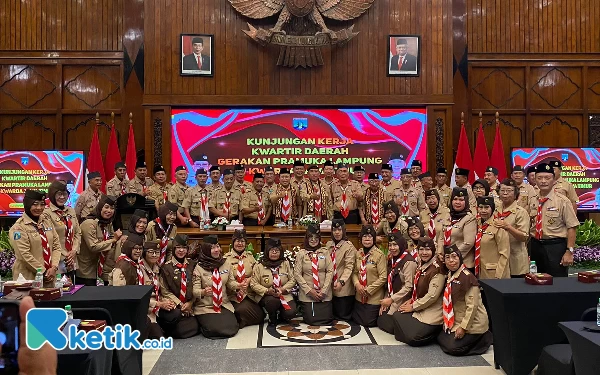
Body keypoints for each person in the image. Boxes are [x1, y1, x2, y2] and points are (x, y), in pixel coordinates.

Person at [437, 245, 492, 356]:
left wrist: (463, 328)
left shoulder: (468, 278)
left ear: (460, 258)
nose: (451, 260)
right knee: (440, 338)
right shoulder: (451, 275)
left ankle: (484, 338)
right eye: (447, 257)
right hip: (457, 320)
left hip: (473, 323)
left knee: (452, 348)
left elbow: (473, 307)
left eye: (454, 257)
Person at [530, 163, 579, 277]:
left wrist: (569, 251)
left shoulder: (563, 201)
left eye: (547, 178)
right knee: (536, 280)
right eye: (540, 178)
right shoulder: (533, 200)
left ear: (554, 180)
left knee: (558, 283)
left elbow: (572, 227)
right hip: (535, 246)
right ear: (535, 180)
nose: (543, 181)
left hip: (555, 247)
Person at [394, 237, 445, 346]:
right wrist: (412, 300)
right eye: (421, 249)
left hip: (433, 309)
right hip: (421, 305)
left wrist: (413, 306)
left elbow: (432, 296)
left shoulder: (437, 269)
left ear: (433, 250)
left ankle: (435, 333)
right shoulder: (422, 265)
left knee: (412, 338)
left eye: (427, 249)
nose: (424, 253)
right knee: (397, 316)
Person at [9, 190, 62, 286]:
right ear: (27, 205)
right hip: (28, 280)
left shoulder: (47, 222)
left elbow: (56, 246)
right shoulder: (18, 228)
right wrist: (44, 272)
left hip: (51, 277)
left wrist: (54, 268)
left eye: (42, 204)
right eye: (35, 204)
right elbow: (24, 255)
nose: (39, 208)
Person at [193, 235, 240, 338]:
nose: (216, 250)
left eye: (218, 246)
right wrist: (203, 292)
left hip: (223, 303)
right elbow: (194, 290)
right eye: (212, 248)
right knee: (214, 329)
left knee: (232, 328)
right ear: (206, 249)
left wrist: (239, 285)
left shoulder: (225, 263)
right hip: (206, 306)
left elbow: (230, 282)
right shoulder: (199, 267)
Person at [158, 234, 200, 339]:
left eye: (184, 248)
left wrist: (190, 303)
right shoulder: (166, 268)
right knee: (180, 330)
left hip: (191, 305)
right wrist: (181, 305)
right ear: (173, 249)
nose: (181, 250)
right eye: (178, 248)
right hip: (175, 306)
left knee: (198, 325)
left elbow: (197, 285)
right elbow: (165, 291)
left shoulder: (192, 265)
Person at [250, 237, 297, 326]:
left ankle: (282, 315)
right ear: (267, 252)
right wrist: (267, 291)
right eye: (272, 251)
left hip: (284, 294)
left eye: (277, 251)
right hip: (266, 296)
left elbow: (293, 279)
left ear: (281, 252)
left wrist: (283, 289)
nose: (274, 253)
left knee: (291, 313)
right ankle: (272, 316)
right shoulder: (259, 265)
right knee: (273, 302)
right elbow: (253, 283)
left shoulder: (286, 263)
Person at [41, 181, 82, 283]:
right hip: (57, 261)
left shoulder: (70, 211)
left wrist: (74, 251)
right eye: (59, 194)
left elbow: (77, 233)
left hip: (71, 259)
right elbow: (51, 238)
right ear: (52, 195)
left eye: (65, 194)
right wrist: (66, 255)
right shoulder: (46, 213)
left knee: (72, 290)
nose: (62, 197)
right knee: (58, 291)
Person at [377, 232, 417, 334]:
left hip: (403, 299)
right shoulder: (392, 259)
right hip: (392, 296)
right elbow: (390, 281)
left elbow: (409, 287)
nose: (392, 248)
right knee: (380, 320)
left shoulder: (409, 262)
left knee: (388, 325)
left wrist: (391, 299)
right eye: (390, 245)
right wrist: (387, 298)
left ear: (401, 245)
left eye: (395, 245)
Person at [293, 225, 334, 325]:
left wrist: (324, 291)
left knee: (327, 319)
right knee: (311, 320)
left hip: (324, 293)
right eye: (310, 237)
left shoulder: (325, 252)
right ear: (306, 239)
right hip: (308, 294)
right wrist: (310, 291)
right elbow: (297, 274)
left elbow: (330, 271)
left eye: (316, 238)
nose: (313, 240)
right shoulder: (301, 254)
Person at [224, 230, 265, 328]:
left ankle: (241, 319)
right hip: (234, 294)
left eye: (242, 241)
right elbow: (225, 279)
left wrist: (250, 279)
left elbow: (257, 272)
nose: (240, 243)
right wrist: (237, 285)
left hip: (249, 293)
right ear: (233, 242)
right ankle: (237, 319)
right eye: (237, 241)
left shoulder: (250, 257)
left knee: (260, 317)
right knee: (244, 310)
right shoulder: (226, 259)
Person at [77, 195, 121, 286]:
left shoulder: (107, 223)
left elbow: (112, 239)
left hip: (102, 271)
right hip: (86, 272)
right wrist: (114, 240)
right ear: (100, 207)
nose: (109, 211)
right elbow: (93, 246)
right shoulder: (89, 223)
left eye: (112, 208)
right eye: (106, 207)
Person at [494, 178, 531, 278]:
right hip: (498, 259)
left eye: (509, 191)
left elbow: (524, 237)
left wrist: (508, 227)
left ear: (515, 194)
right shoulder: (494, 210)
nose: (505, 193)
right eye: (502, 190)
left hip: (515, 259)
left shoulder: (521, 212)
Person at [352, 225, 387, 327]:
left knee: (368, 323)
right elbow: (354, 272)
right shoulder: (358, 253)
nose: (367, 239)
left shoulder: (379, 255)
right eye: (365, 236)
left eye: (370, 236)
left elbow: (383, 277)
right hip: (359, 296)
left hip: (373, 296)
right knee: (356, 320)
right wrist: (357, 284)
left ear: (374, 239)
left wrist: (369, 290)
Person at [437, 188, 477, 273]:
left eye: (461, 200)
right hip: (447, 263)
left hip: (463, 264)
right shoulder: (448, 216)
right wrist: (440, 252)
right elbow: (441, 237)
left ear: (466, 202)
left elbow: (468, 243)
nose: (457, 202)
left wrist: (452, 257)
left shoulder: (469, 218)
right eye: (455, 199)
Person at [325, 219, 357, 321]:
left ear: (343, 230)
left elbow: (349, 267)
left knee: (343, 318)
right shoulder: (329, 245)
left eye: (339, 230)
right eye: (334, 230)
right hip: (330, 286)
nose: (337, 232)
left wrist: (341, 282)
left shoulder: (349, 246)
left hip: (343, 288)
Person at [140, 241, 170, 339]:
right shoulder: (139, 269)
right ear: (144, 253)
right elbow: (141, 296)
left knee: (175, 314)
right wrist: (158, 304)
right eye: (151, 252)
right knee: (159, 339)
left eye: (157, 252)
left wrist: (165, 301)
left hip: (157, 306)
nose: (154, 255)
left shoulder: (158, 267)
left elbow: (160, 288)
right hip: (146, 309)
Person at [475, 196, 510, 279]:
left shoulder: (498, 225)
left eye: (487, 207)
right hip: (479, 272)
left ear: (493, 208)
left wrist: (498, 276)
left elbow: (505, 255)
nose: (483, 210)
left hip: (494, 274)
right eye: (480, 207)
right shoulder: (477, 223)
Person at [145, 202, 179, 266]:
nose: (172, 217)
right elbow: (146, 249)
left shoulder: (173, 228)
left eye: (174, 215)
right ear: (163, 213)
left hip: (166, 262)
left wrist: (168, 266)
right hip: (151, 262)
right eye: (170, 214)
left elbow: (171, 250)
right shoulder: (151, 226)